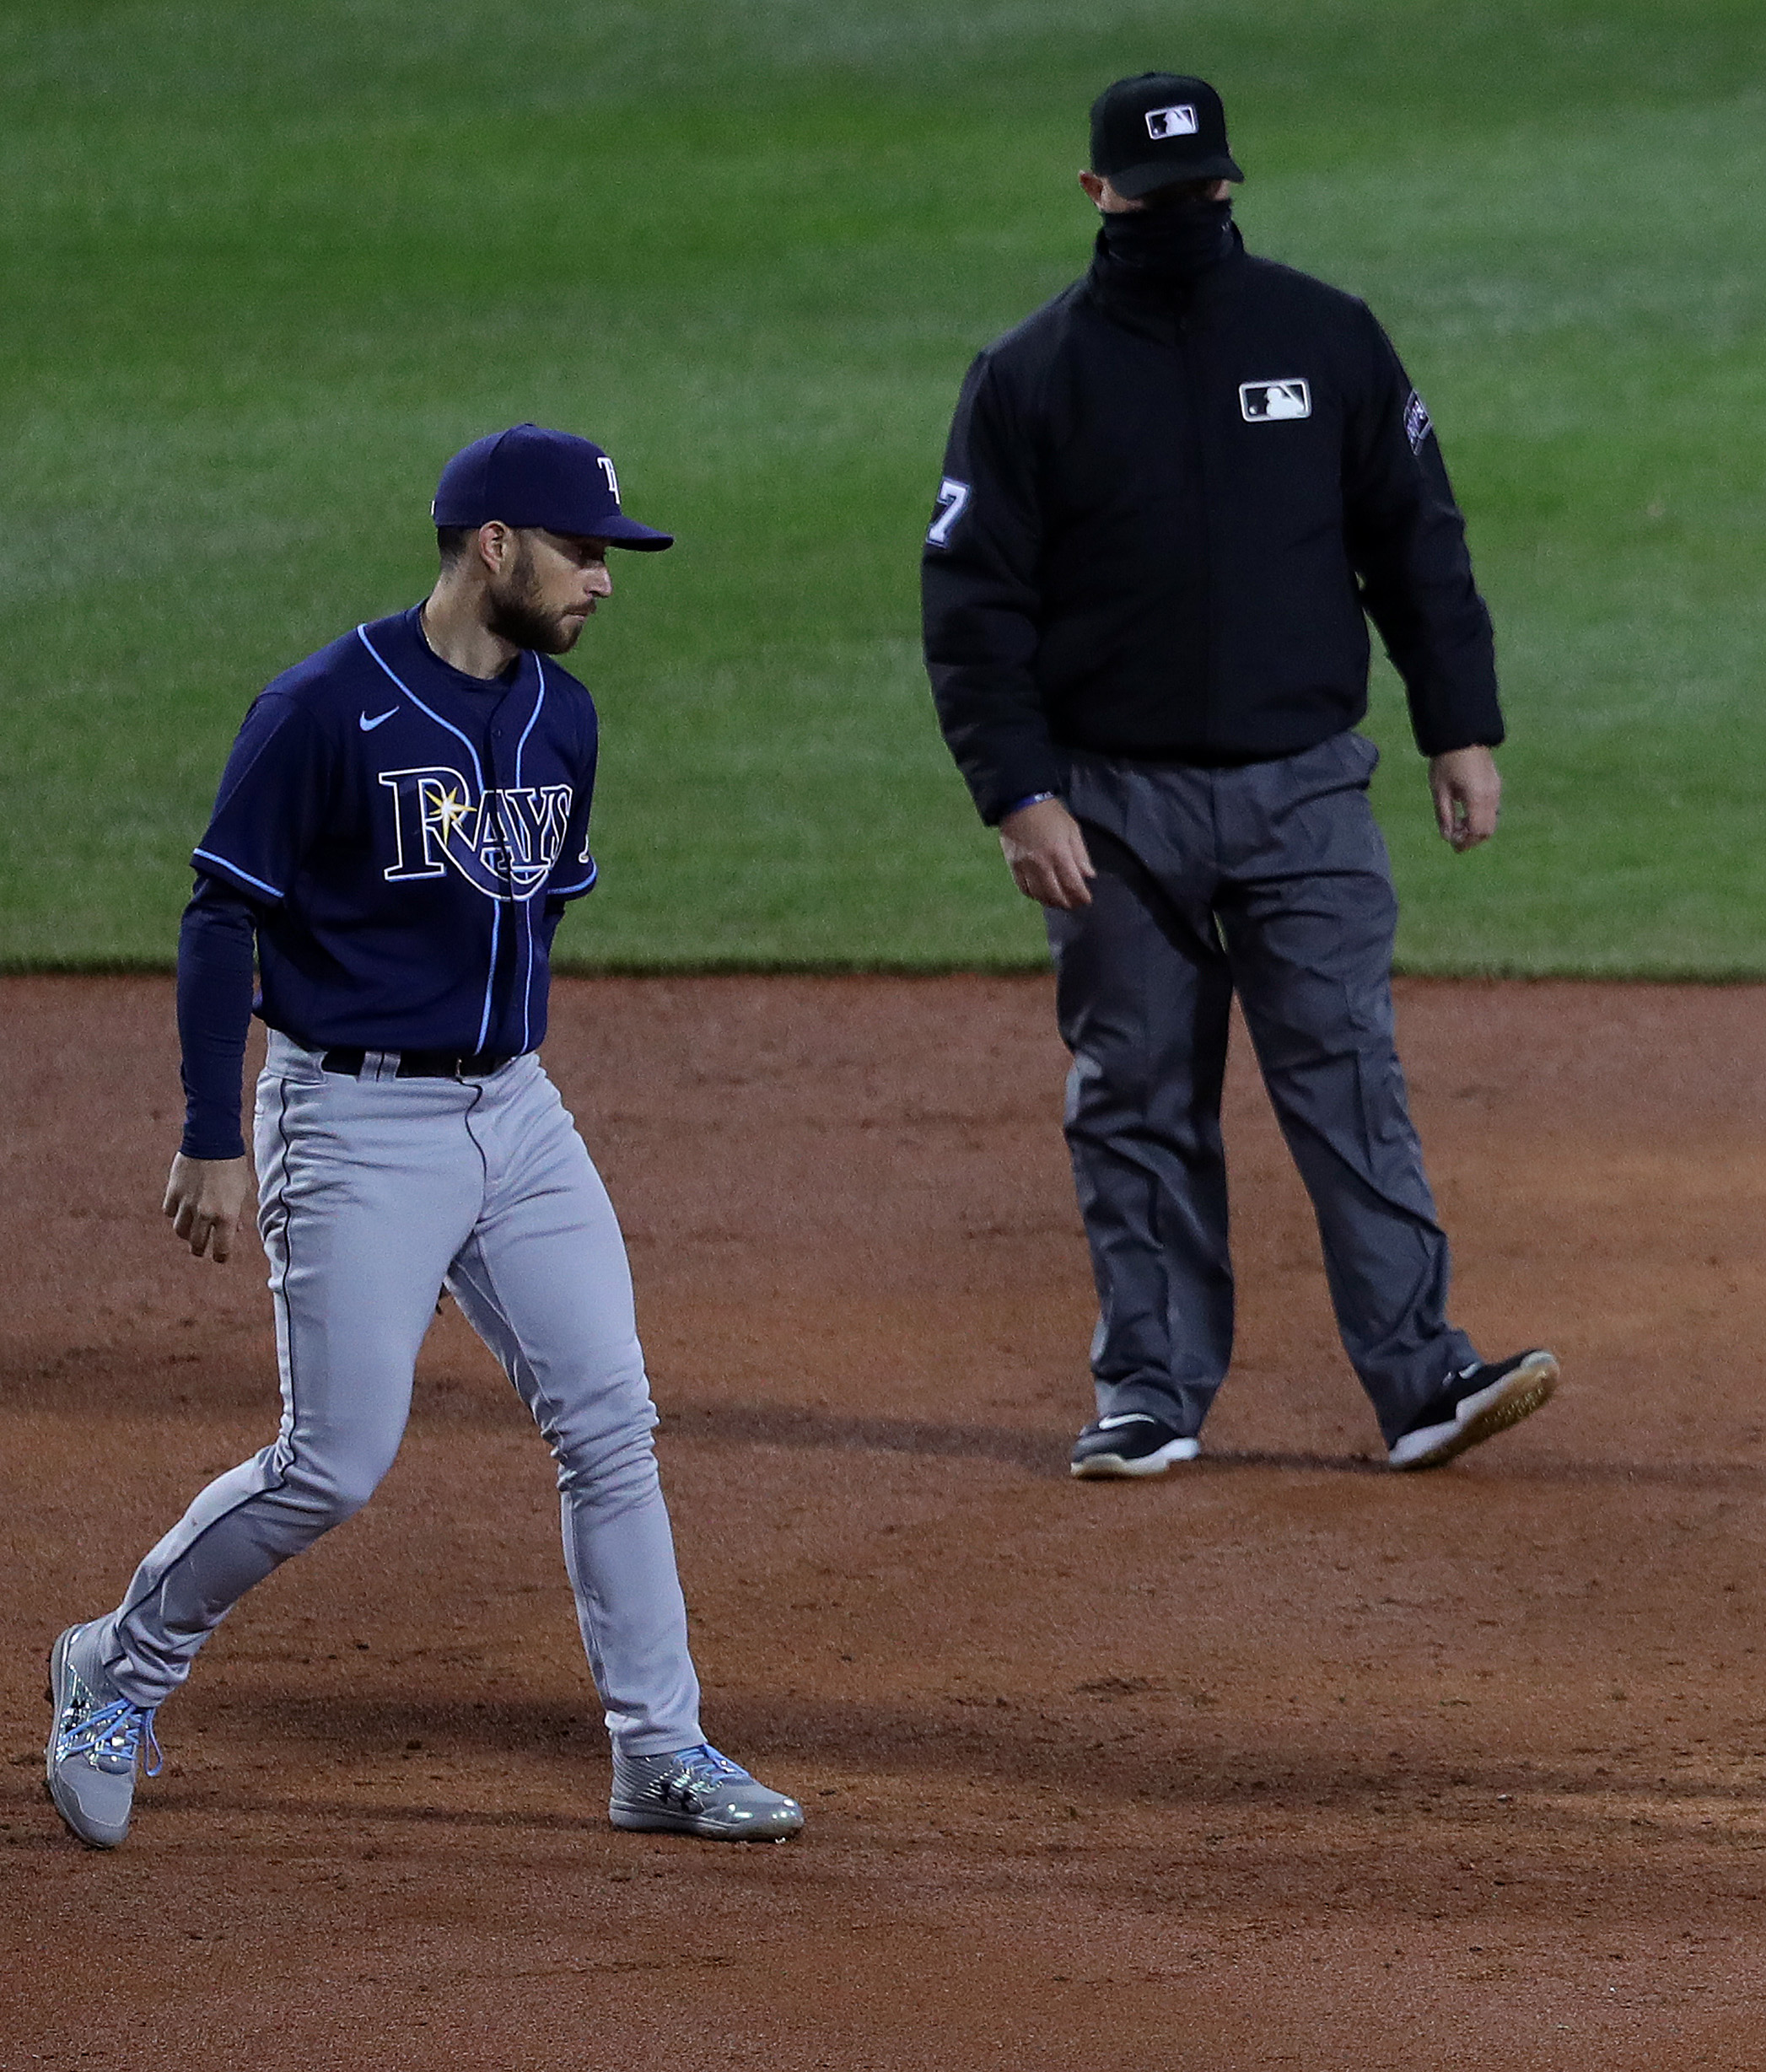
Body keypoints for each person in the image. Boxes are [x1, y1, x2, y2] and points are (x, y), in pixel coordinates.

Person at [45, 427, 804, 1849]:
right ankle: (119, 1666)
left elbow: (534, 913)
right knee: (334, 1459)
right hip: (351, 1117)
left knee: (611, 1421)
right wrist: (218, 1133)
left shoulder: (561, 716)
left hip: (515, 1111)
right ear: (493, 546)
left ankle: (661, 1749)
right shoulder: (324, 707)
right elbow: (222, 921)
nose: (606, 581)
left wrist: (496, 1088)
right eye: (585, 552)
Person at [921, 73, 1556, 1480]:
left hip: (1305, 788)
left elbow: (1416, 537)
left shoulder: (1325, 338)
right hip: (1111, 803)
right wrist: (1017, 790)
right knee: (1138, 1090)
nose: (1185, 206)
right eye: (1156, 190)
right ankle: (1149, 1388)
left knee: (1347, 1075)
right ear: (1099, 195)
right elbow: (973, 604)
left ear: (1229, 182)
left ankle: (1419, 1375)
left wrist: (1461, 723)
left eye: (1203, 183)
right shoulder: (1031, 378)